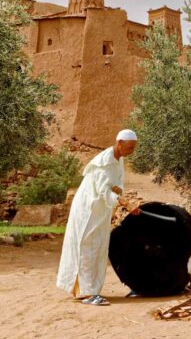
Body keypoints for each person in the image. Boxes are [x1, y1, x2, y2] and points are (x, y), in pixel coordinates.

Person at [56, 129, 141, 306]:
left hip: (100, 211)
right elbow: (103, 191)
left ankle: (89, 290)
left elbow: (115, 184)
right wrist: (125, 203)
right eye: (130, 148)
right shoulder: (104, 162)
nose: (131, 152)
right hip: (88, 211)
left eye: (133, 148)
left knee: (98, 248)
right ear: (119, 143)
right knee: (87, 248)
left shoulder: (119, 160)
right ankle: (86, 293)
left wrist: (118, 191)